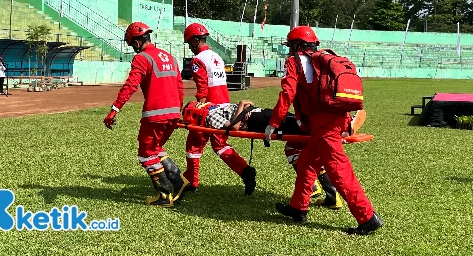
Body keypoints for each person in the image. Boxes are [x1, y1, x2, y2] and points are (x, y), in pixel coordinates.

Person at [266, 26, 383, 236]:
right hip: (337, 118)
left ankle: (367, 217)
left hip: (323, 125)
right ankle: (298, 208)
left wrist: (273, 123)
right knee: (306, 164)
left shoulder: (295, 62)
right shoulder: (326, 59)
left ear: (295, 45)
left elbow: (288, 93)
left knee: (340, 172)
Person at [185, 100, 367, 209]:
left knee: (298, 132)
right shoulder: (210, 116)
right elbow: (234, 127)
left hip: (257, 116)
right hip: (257, 119)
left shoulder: (213, 110)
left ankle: (343, 128)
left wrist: (244, 106)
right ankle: (343, 128)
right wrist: (242, 105)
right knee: (296, 132)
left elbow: (235, 121)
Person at [104, 22, 190, 207]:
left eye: (131, 44)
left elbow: (130, 86)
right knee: (156, 147)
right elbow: (180, 86)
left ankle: (165, 195)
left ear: (136, 41)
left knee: (146, 153)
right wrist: (178, 109)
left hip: (155, 114)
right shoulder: (169, 57)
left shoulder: (142, 58)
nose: (132, 49)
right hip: (173, 113)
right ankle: (178, 181)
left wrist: (114, 109)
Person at [182, 22, 256, 195]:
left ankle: (192, 182)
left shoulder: (198, 60)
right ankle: (245, 171)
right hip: (224, 102)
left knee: (194, 144)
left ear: (194, 41)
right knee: (220, 144)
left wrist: (200, 103)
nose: (189, 47)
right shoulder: (216, 56)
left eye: (189, 43)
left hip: (209, 107)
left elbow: (202, 85)